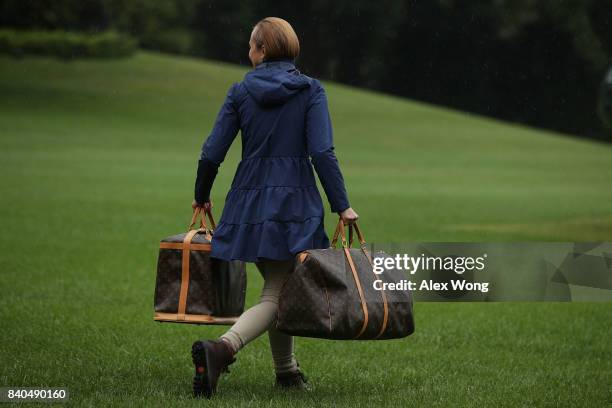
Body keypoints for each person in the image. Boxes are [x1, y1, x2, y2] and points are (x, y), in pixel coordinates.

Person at [190, 16, 358, 399]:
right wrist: (342, 205)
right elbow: (321, 151)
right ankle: (221, 349)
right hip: (293, 202)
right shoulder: (311, 90)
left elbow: (212, 152)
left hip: (248, 202)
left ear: (262, 50)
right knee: (278, 293)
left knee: (278, 286)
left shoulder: (239, 92)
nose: (248, 51)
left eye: (251, 44)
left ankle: (287, 372)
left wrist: (202, 194)